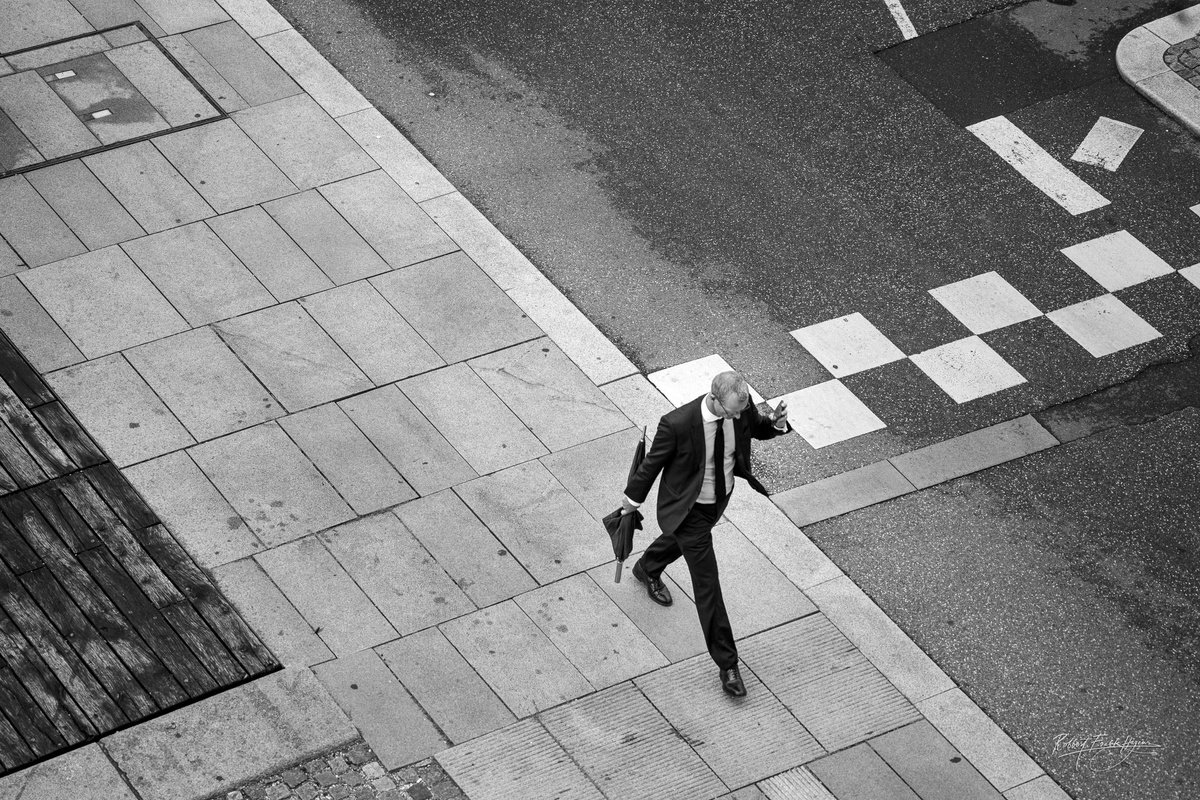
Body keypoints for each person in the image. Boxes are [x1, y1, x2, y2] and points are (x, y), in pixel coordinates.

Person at [621, 370, 789, 697]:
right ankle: (728, 664)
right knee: (707, 583)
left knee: (685, 543)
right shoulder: (677, 423)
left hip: (719, 500)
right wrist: (630, 502)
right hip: (687, 509)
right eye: (731, 412)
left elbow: (756, 428)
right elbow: (651, 466)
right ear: (714, 399)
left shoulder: (739, 406)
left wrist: (776, 423)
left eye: (740, 410)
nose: (738, 416)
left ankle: (649, 567)